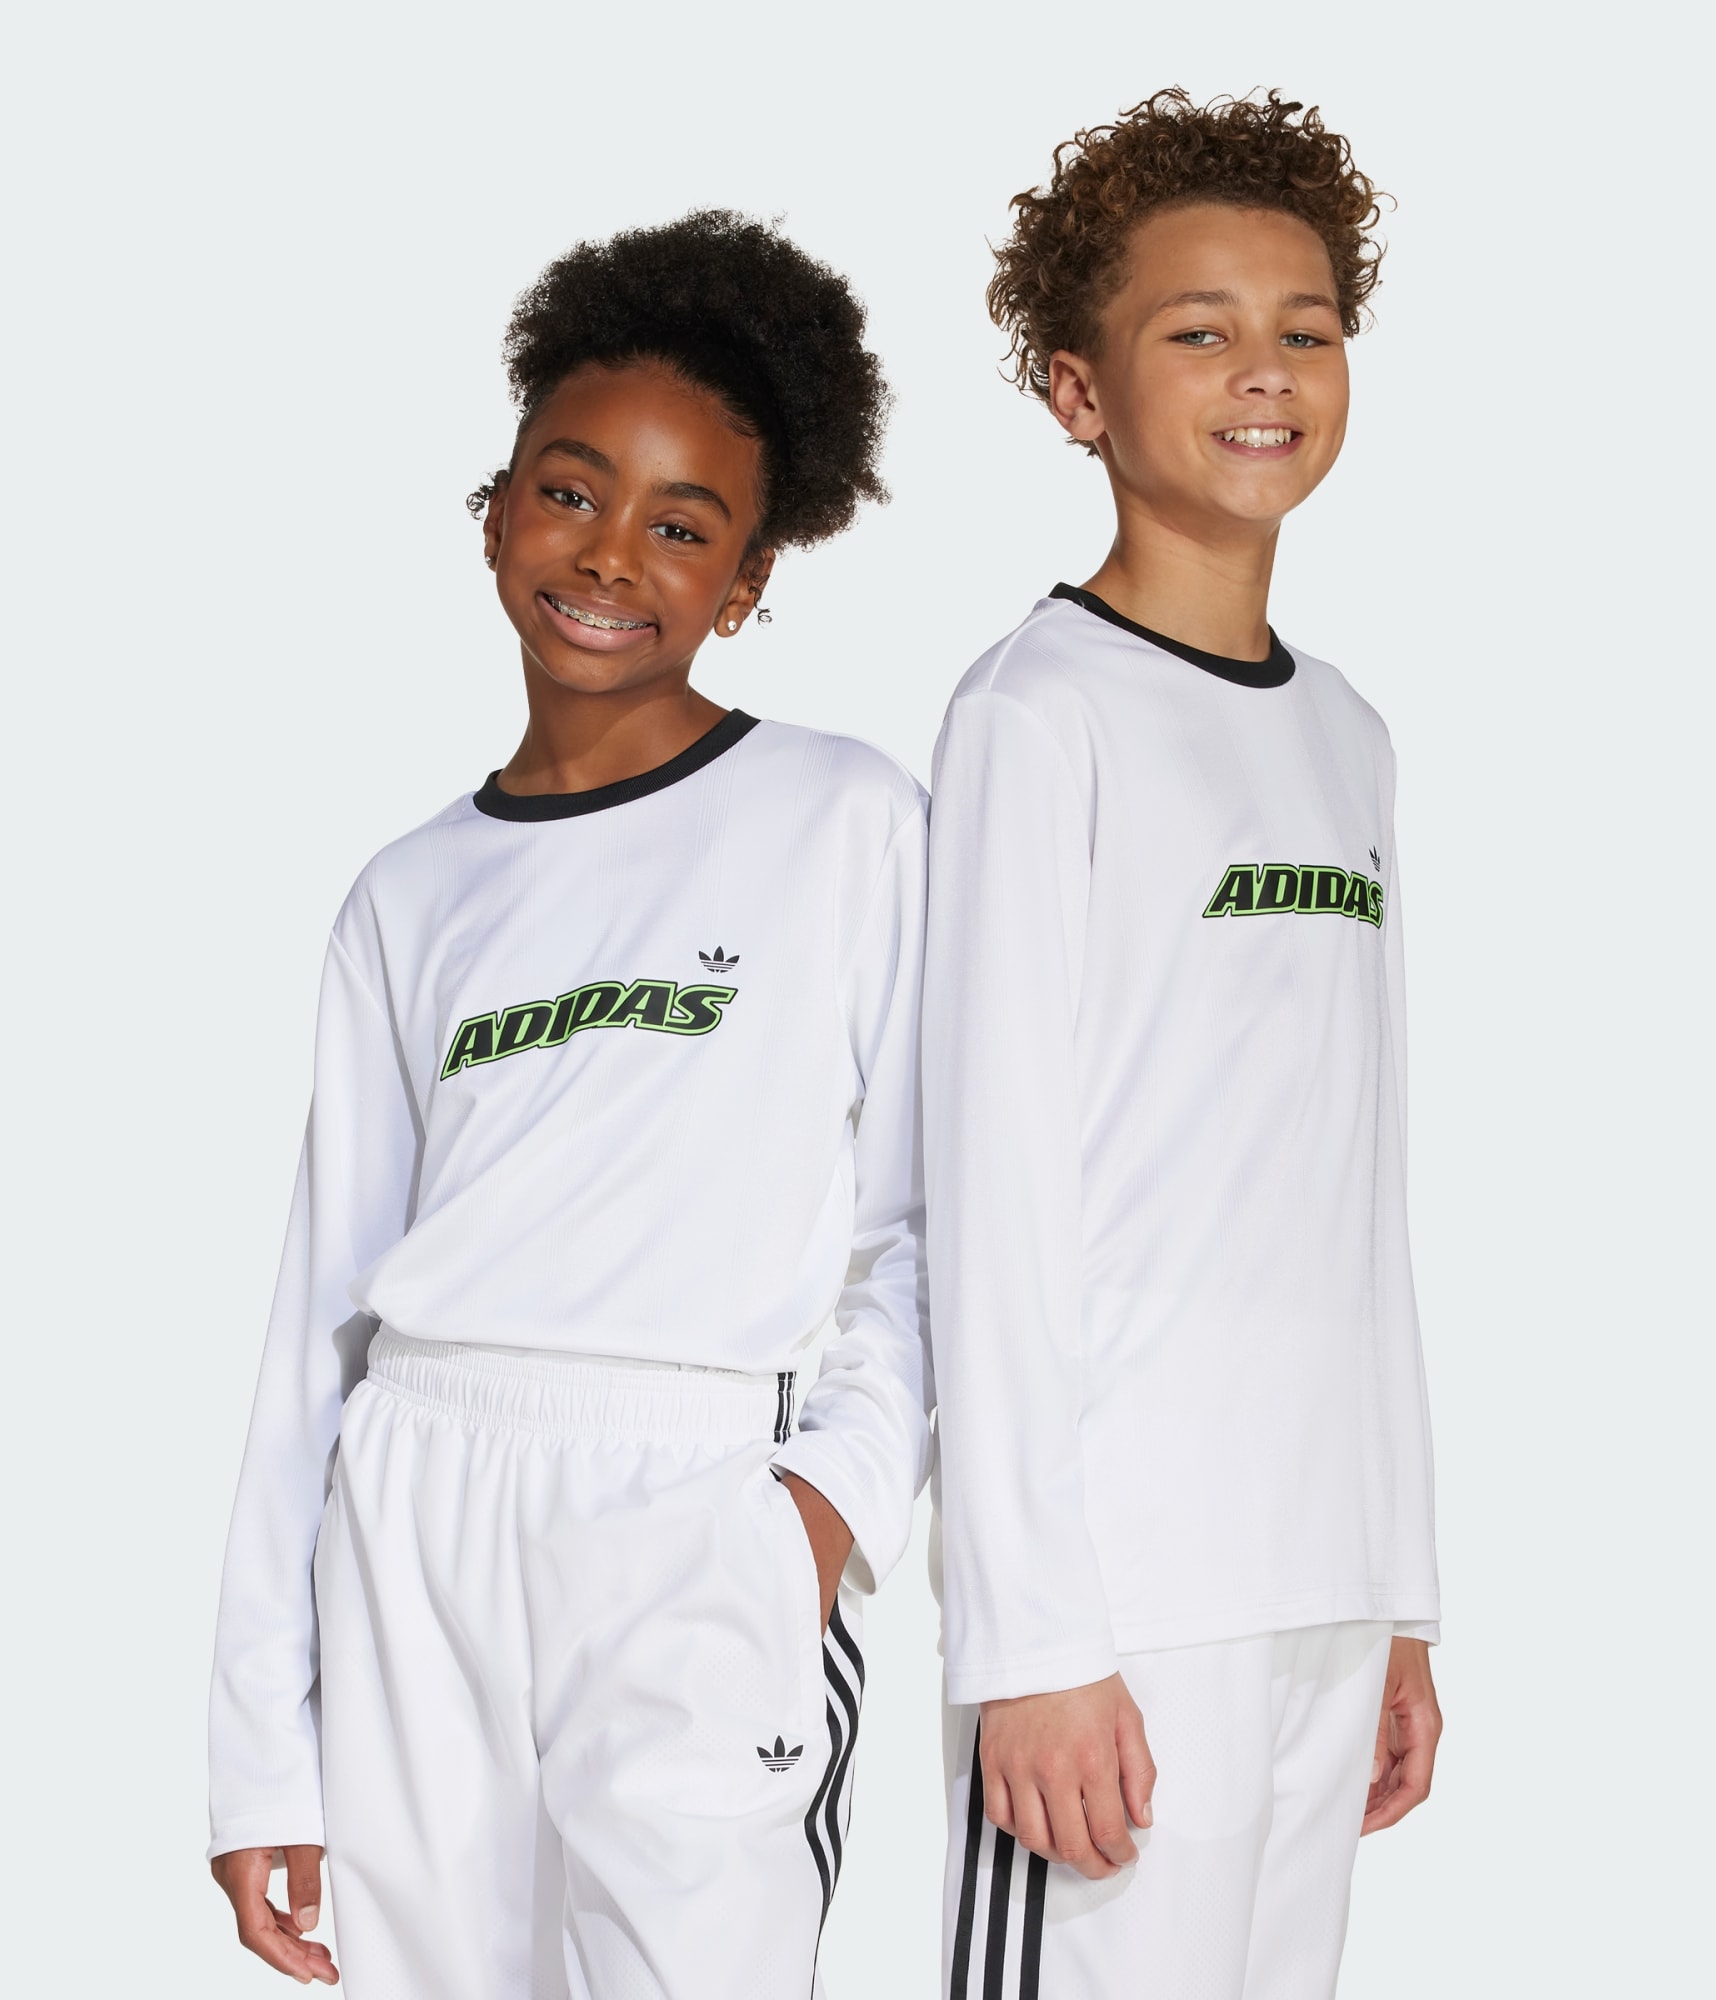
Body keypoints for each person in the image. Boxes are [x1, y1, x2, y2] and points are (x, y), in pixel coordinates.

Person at [206, 210, 930, 1998]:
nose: (612, 553)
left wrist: (815, 1516)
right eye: (572, 492)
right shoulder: (408, 893)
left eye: (683, 525)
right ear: (495, 511)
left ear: (747, 581)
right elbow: (318, 1322)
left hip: (696, 1494)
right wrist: (260, 1746)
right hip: (417, 1513)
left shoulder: (847, 820)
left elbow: (930, 1224)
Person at [924, 91, 1443, 1998]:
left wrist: (1397, 1595)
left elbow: (1357, 1189)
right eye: (1199, 329)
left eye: (1307, 327)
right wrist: (1028, 1639)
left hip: (1319, 1583)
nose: (1266, 370)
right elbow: (985, 1188)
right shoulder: (1036, 714)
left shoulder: (1351, 737)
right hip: (1121, 1608)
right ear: (1078, 392)